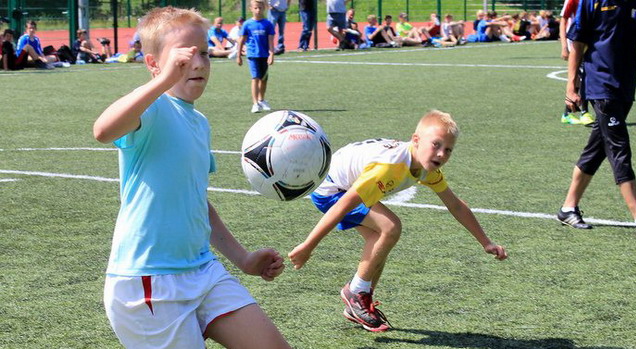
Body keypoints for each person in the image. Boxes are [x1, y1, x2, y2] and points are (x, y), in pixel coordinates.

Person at [92, 6, 289, 349]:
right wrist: (164, 81)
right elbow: (103, 130)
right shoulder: (151, 110)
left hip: (203, 271)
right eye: (183, 58)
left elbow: (197, 201)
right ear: (154, 64)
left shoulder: (199, 123)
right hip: (148, 283)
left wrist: (243, 259)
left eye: (204, 53)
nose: (197, 63)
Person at [288, 111, 508, 332]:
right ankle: (355, 294)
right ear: (415, 140)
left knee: (380, 242)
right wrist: (309, 245)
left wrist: (485, 242)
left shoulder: (427, 167)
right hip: (332, 190)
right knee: (390, 227)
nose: (441, 154)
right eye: (436, 145)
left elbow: (456, 205)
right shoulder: (389, 168)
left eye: (448, 149)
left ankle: (359, 303)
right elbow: (342, 205)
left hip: (345, 182)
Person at [559, 0, 636, 237]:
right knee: (619, 147)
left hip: (625, 87)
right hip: (601, 85)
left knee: (597, 148)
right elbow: (577, 43)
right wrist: (572, 84)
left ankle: (568, 208)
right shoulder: (593, 2)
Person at [558, 0, 594, 125]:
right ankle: (584, 112)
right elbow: (563, 21)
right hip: (575, 40)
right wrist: (564, 47)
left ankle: (567, 114)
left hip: (589, 38)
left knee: (580, 76)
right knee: (585, 73)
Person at [237, 0, 276, 113]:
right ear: (251, 9)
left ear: (264, 8)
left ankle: (261, 100)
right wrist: (238, 55)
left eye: (260, 8)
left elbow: (271, 41)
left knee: (264, 79)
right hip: (253, 55)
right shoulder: (247, 24)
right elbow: (241, 41)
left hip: (264, 56)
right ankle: (255, 103)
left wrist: (271, 54)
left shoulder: (267, 24)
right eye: (255, 8)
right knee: (255, 78)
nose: (258, 10)